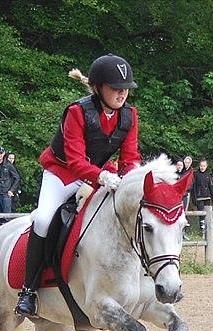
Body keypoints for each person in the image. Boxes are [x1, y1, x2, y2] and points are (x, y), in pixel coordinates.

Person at [14, 53, 141, 317]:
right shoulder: (77, 112)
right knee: (43, 220)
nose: (122, 94)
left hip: (99, 175)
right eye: (115, 89)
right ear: (98, 88)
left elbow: (130, 157)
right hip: (62, 174)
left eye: (125, 89)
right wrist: (103, 178)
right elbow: (74, 160)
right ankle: (28, 290)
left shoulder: (129, 116)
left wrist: (131, 180)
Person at [0, 145, 20, 228]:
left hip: (5, 195)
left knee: (6, 218)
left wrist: (11, 190)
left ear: (4, 154)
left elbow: (17, 178)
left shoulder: (8, 165)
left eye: (1, 153)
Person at [190, 159, 213, 236]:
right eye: (201, 166)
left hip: (207, 197)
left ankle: (208, 230)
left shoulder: (208, 175)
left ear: (206, 166)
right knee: (201, 214)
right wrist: (194, 198)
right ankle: (202, 230)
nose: (202, 167)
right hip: (199, 197)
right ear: (199, 166)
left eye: (204, 166)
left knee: (207, 214)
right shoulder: (196, 174)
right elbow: (193, 187)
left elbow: (210, 186)